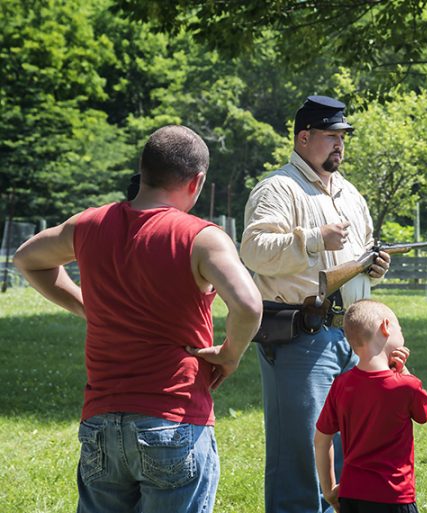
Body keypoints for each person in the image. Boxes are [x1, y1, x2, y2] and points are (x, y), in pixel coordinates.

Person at [13, 125, 263, 513]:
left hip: (100, 424)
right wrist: (230, 355)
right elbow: (248, 305)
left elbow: (27, 259)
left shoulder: (88, 225)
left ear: (143, 171)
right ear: (196, 182)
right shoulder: (202, 238)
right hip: (174, 417)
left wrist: (85, 305)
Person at [240, 95, 400, 513]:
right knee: (302, 453)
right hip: (300, 336)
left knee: (350, 447)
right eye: (331, 136)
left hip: (352, 337)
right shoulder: (277, 188)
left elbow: (359, 259)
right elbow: (254, 250)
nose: (339, 145)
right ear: (304, 137)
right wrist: (313, 238)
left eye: (343, 137)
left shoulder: (351, 194)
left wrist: (375, 266)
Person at [314, 300, 427, 513]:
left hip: (351, 495)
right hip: (394, 496)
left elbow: (321, 440)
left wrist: (329, 489)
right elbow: (423, 414)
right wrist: (404, 372)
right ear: (386, 327)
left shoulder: (341, 385)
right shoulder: (406, 385)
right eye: (400, 328)